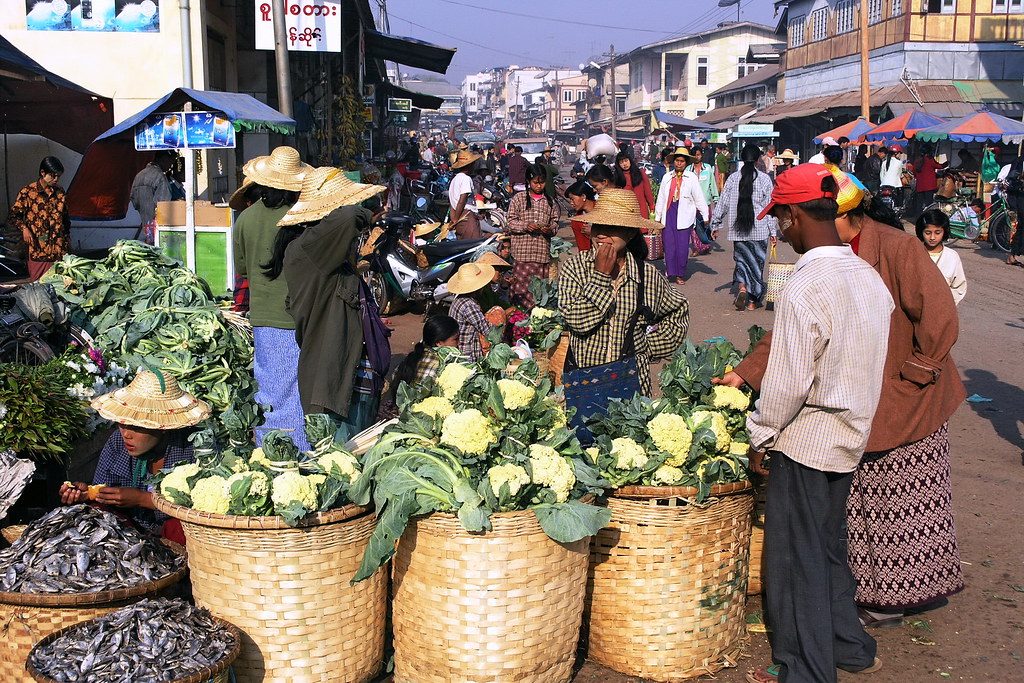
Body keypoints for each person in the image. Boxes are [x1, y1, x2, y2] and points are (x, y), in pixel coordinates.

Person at [728, 169, 966, 633]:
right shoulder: (829, 259)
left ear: (840, 215)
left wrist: (915, 373)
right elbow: (796, 333)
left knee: (902, 505)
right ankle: (863, 599)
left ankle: (893, 600)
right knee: (860, 509)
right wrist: (746, 370)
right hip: (863, 397)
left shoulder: (894, 248)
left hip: (909, 397)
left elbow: (939, 315)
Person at [737, 164, 892, 683]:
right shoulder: (865, 275)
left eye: (780, 217)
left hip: (807, 438)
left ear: (797, 213)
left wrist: (761, 434)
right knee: (828, 543)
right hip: (851, 432)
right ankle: (848, 642)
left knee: (796, 556)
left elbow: (786, 383)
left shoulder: (807, 285)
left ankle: (806, 668)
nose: (778, 229)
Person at [275, 167, 388, 437]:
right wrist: (362, 209)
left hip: (351, 377)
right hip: (331, 384)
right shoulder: (311, 248)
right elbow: (350, 216)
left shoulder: (322, 253)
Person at [559, 189, 689, 396]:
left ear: (629, 233)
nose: (601, 234)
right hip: (584, 380)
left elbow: (678, 309)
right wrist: (601, 276)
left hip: (633, 381)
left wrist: (648, 347)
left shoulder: (646, 274)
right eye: (598, 226)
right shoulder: (574, 268)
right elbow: (578, 322)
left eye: (611, 227)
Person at [59, 370, 210, 536]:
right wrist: (87, 494)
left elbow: (204, 511)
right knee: (96, 513)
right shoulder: (117, 442)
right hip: (131, 529)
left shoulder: (194, 447)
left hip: (176, 530)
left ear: (163, 427)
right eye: (122, 424)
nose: (126, 434)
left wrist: (143, 499)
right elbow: (103, 493)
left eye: (137, 427)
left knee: (181, 528)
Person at [232, 146, 312, 450]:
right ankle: (290, 457)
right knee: (292, 394)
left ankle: (269, 454)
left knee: (270, 392)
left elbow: (242, 269)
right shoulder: (302, 218)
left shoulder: (245, 220)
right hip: (296, 316)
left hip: (263, 317)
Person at [710, 144, 778, 311]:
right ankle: (753, 301)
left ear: (742, 158)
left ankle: (742, 287)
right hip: (760, 230)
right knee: (756, 264)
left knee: (741, 261)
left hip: (739, 230)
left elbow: (723, 202)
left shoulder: (733, 178)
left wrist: (715, 224)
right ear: (757, 159)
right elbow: (769, 207)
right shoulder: (764, 179)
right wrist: (773, 231)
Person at [381, 315, 459, 416]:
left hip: (400, 412)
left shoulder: (414, 356)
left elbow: (395, 377)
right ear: (439, 343)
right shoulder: (440, 364)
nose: (459, 343)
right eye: (455, 339)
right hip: (419, 417)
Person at [8, 156, 70, 281]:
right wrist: (24, 229)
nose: (56, 179)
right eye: (53, 176)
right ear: (43, 173)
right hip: (38, 251)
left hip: (58, 250)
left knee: (60, 288)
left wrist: (67, 240)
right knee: (39, 287)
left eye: (58, 176)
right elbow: (13, 216)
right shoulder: (28, 192)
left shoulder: (60, 192)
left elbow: (65, 219)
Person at [507, 163, 559, 308]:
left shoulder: (550, 202)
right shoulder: (519, 199)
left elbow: (555, 224)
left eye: (542, 182)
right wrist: (526, 226)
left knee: (539, 294)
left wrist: (550, 229)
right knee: (521, 291)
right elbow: (510, 221)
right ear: (528, 181)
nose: (539, 186)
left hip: (541, 254)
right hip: (522, 254)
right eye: (535, 182)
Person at [654, 147, 709, 284]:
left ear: (686, 163)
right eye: (677, 161)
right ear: (673, 162)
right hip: (669, 213)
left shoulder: (691, 178)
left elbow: (699, 198)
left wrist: (705, 215)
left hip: (685, 215)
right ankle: (670, 271)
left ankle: (680, 274)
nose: (679, 163)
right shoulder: (667, 177)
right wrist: (657, 218)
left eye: (682, 161)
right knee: (669, 245)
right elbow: (661, 198)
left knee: (682, 247)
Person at [448, 262, 502, 361]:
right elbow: (488, 331)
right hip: (467, 355)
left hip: (458, 350)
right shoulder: (469, 306)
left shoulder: (458, 300)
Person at [916, 209, 966, 306]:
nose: (932, 237)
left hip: (943, 308)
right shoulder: (914, 253)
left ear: (944, 232)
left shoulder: (952, 256)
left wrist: (943, 301)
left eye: (937, 232)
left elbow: (959, 287)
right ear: (921, 232)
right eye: (928, 232)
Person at [129, 151, 177, 244]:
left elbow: (134, 200)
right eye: (170, 163)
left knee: (148, 244)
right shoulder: (160, 176)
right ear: (163, 160)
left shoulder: (140, 175)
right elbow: (163, 204)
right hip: (157, 224)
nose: (170, 167)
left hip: (144, 222)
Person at [448, 148, 484, 239]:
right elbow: (462, 199)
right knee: (475, 245)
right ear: (470, 165)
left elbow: (452, 203)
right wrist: (456, 219)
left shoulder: (455, 179)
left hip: (461, 217)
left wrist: (454, 219)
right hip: (466, 217)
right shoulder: (465, 179)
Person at [613, 150, 655, 218]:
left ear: (630, 160)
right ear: (618, 165)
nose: (624, 164)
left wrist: (652, 208)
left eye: (626, 161)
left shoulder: (640, 173)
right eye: (621, 162)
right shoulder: (618, 178)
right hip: (626, 213)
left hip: (641, 210)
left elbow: (648, 193)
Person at [1002, 152, 1024, 266]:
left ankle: (1012, 256)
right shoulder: (1019, 162)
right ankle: (1012, 255)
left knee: (1021, 229)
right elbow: (1012, 179)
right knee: (1021, 228)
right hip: (1019, 199)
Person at [913, 147, 947, 218]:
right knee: (929, 204)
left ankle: (918, 219)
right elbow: (939, 166)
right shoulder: (929, 159)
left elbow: (914, 173)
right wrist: (946, 163)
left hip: (920, 186)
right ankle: (929, 218)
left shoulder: (917, 160)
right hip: (929, 186)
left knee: (919, 204)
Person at [565, 179, 597, 251]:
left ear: (583, 196)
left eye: (572, 199)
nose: (571, 203)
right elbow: (582, 248)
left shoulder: (603, 208)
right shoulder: (576, 221)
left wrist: (594, 232)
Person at [690, 147, 720, 214]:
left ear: (701, 155)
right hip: (691, 204)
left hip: (705, 203)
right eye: (694, 155)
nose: (696, 157)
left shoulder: (708, 168)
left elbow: (712, 184)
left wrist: (716, 199)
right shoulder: (688, 170)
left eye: (698, 155)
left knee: (706, 223)